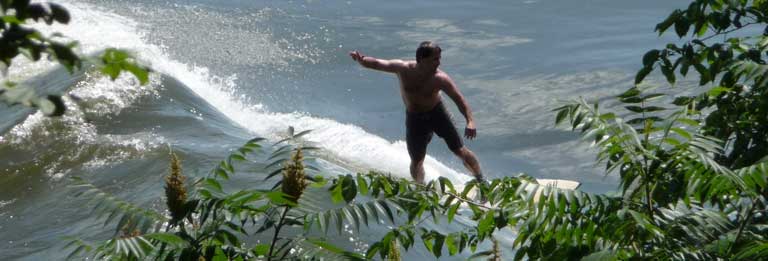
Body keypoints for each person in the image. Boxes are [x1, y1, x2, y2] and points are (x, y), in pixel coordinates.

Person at [349, 41, 484, 184]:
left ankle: (481, 180)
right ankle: (421, 188)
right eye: (435, 59)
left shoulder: (440, 78)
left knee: (459, 150)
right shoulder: (403, 69)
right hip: (415, 119)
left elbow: (459, 100)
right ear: (421, 60)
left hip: (438, 114)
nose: (439, 63)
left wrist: (470, 121)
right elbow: (378, 63)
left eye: (439, 58)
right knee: (417, 161)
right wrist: (362, 61)